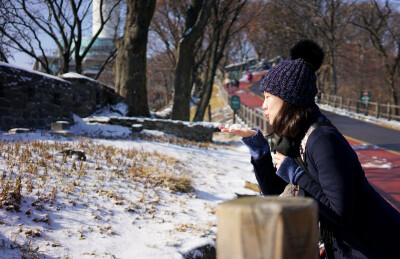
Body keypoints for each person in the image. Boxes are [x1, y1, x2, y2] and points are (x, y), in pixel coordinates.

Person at [220, 39, 400, 258]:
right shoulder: (294, 136)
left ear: (288, 99)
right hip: (345, 246)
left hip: (375, 245)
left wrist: (296, 175)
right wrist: (258, 150)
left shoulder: (323, 140)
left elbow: (341, 213)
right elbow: (276, 192)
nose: (263, 105)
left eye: (268, 98)